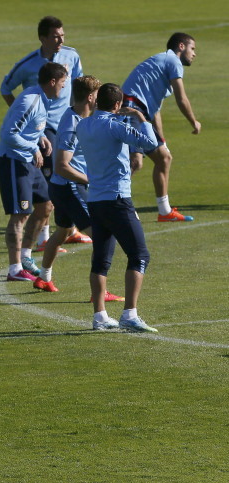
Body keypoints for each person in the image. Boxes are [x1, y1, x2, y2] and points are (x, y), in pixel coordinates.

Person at [0, 15, 90, 249]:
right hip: (45, 128)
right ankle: (46, 238)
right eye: (55, 36)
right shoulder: (28, 64)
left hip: (68, 122)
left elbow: (78, 85)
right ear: (43, 38)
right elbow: (5, 87)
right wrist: (23, 116)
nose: (60, 40)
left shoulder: (72, 55)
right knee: (54, 178)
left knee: (68, 170)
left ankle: (68, 228)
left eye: (62, 35)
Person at [76, 83, 160, 332]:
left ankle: (100, 316)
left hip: (95, 200)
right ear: (117, 104)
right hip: (117, 199)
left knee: (101, 260)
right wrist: (140, 118)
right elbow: (150, 143)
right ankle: (129, 314)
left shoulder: (83, 125)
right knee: (139, 255)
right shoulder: (115, 126)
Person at [33, 75, 123, 302]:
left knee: (63, 231)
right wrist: (90, 180)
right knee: (102, 235)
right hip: (70, 186)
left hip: (61, 187)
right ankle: (99, 292)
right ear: (91, 97)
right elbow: (62, 166)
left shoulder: (77, 117)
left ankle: (43, 277)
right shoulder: (72, 125)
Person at [0, 62, 66, 282]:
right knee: (20, 214)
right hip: (13, 161)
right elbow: (8, 134)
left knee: (46, 205)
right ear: (52, 82)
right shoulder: (30, 100)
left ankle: (25, 256)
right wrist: (33, 148)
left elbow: (30, 125)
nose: (64, 88)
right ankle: (14, 269)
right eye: (62, 83)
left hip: (27, 162)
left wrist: (40, 137)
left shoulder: (43, 98)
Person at [122, 32, 201, 222]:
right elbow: (182, 99)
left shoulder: (163, 66)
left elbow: (155, 110)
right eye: (192, 48)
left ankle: (164, 211)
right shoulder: (173, 61)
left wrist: (162, 140)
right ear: (181, 46)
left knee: (162, 158)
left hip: (138, 111)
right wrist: (194, 121)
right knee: (136, 161)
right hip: (131, 109)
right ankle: (113, 204)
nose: (194, 54)